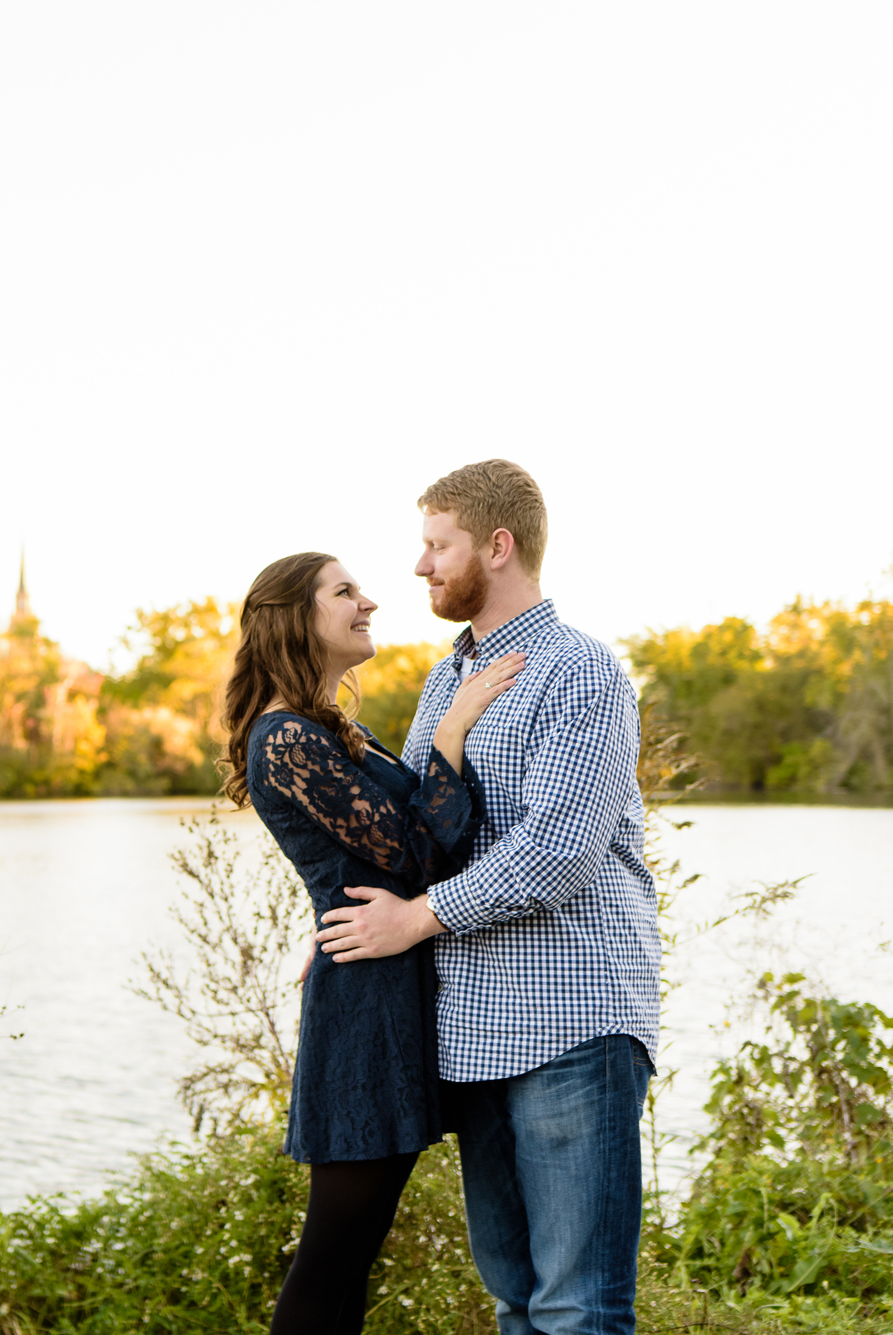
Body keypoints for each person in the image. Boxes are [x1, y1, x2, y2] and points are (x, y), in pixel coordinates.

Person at [313, 459, 661, 1335]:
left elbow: (556, 855)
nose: (421, 567)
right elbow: (421, 828)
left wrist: (413, 919)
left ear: (497, 547)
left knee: (578, 1308)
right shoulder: (443, 682)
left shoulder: (581, 673)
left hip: (571, 1024)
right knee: (514, 1303)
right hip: (471, 1033)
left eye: (438, 545)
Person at [220, 550, 524, 1335]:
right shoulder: (285, 739)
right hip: (363, 1012)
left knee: (354, 1256)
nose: (369, 603)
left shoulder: (331, 730)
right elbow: (420, 851)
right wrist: (455, 725)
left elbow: (383, 856)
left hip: (390, 991)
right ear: (296, 618)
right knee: (332, 1257)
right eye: (345, 592)